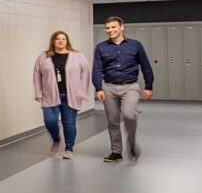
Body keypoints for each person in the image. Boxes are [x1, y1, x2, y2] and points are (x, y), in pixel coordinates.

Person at [92, 16, 154, 163]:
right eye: (107, 28)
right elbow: (96, 69)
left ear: (121, 27)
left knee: (129, 115)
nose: (110, 30)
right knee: (112, 121)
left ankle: (131, 145)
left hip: (130, 86)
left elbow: (146, 66)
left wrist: (149, 86)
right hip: (109, 87)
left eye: (113, 27)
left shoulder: (135, 45)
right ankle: (116, 152)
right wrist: (98, 88)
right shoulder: (101, 47)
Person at [32, 31, 90, 159]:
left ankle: (69, 148)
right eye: (57, 39)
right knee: (49, 121)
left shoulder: (77, 56)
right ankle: (56, 139)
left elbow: (85, 73)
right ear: (53, 41)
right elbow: (37, 74)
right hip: (50, 95)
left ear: (67, 41)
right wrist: (38, 93)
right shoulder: (44, 56)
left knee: (69, 123)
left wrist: (82, 91)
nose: (60, 41)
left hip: (71, 95)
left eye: (63, 39)